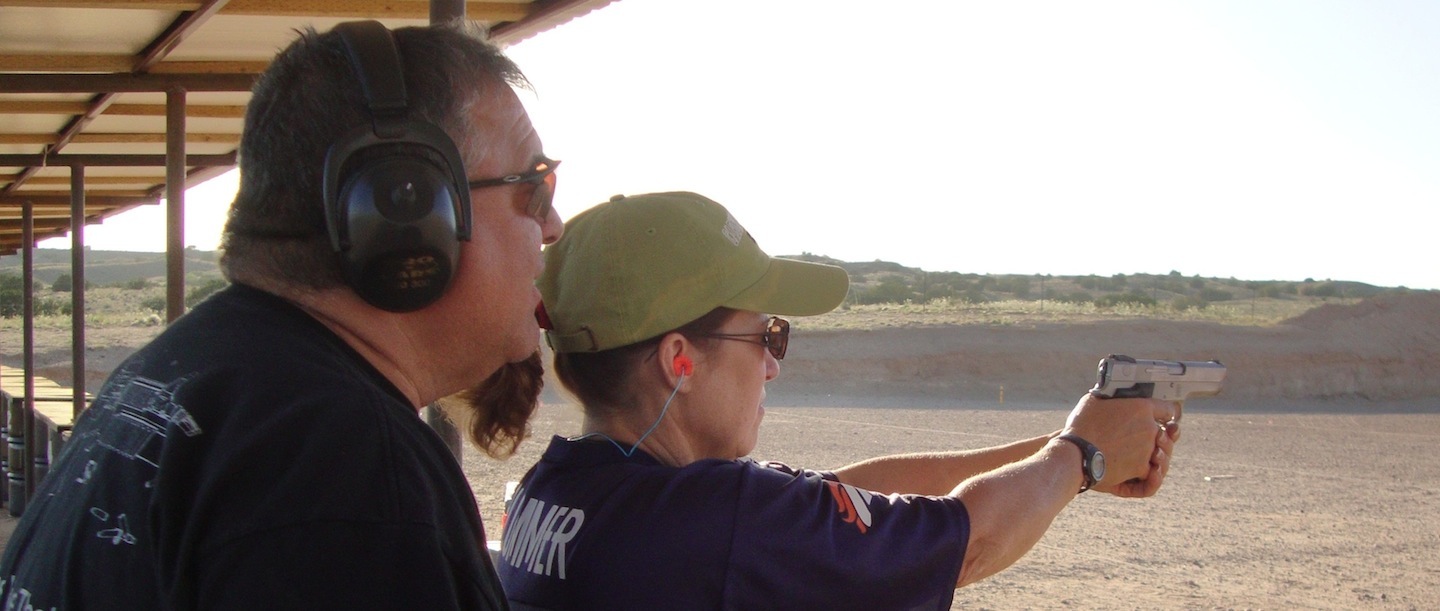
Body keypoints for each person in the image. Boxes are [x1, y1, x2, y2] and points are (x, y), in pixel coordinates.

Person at [0, 20, 561, 610]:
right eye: (534, 188)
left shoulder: (194, 369)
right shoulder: (342, 471)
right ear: (407, 210)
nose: (553, 227)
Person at [496, 191, 1181, 610]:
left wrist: (1072, 445)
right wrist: (1082, 456)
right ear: (681, 360)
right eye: (766, 334)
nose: (771, 364)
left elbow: (842, 497)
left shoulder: (561, 487)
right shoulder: (713, 519)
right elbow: (969, 542)